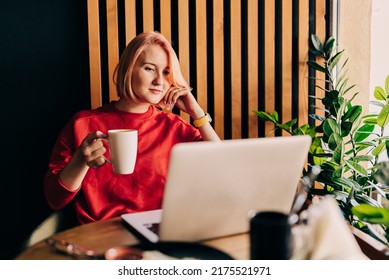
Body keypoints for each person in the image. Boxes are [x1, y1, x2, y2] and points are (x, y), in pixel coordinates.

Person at [44, 31, 220, 225]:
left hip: (158, 231)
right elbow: (55, 200)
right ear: (128, 69)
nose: (159, 81)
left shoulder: (174, 127)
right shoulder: (83, 123)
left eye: (166, 72)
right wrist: (80, 161)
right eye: (149, 68)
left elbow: (223, 167)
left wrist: (196, 112)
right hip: (100, 234)